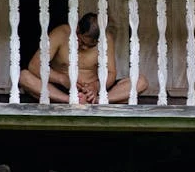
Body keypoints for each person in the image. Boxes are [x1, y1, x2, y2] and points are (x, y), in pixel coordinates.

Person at [19, 12, 148, 104]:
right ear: (77, 29)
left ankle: (97, 102)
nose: (84, 48)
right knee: (23, 76)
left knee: (141, 81)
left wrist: (96, 87)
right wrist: (62, 79)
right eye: (81, 42)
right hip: (61, 88)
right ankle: (70, 100)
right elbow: (34, 66)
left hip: (93, 91)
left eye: (90, 46)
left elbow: (111, 73)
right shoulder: (61, 33)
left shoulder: (106, 39)